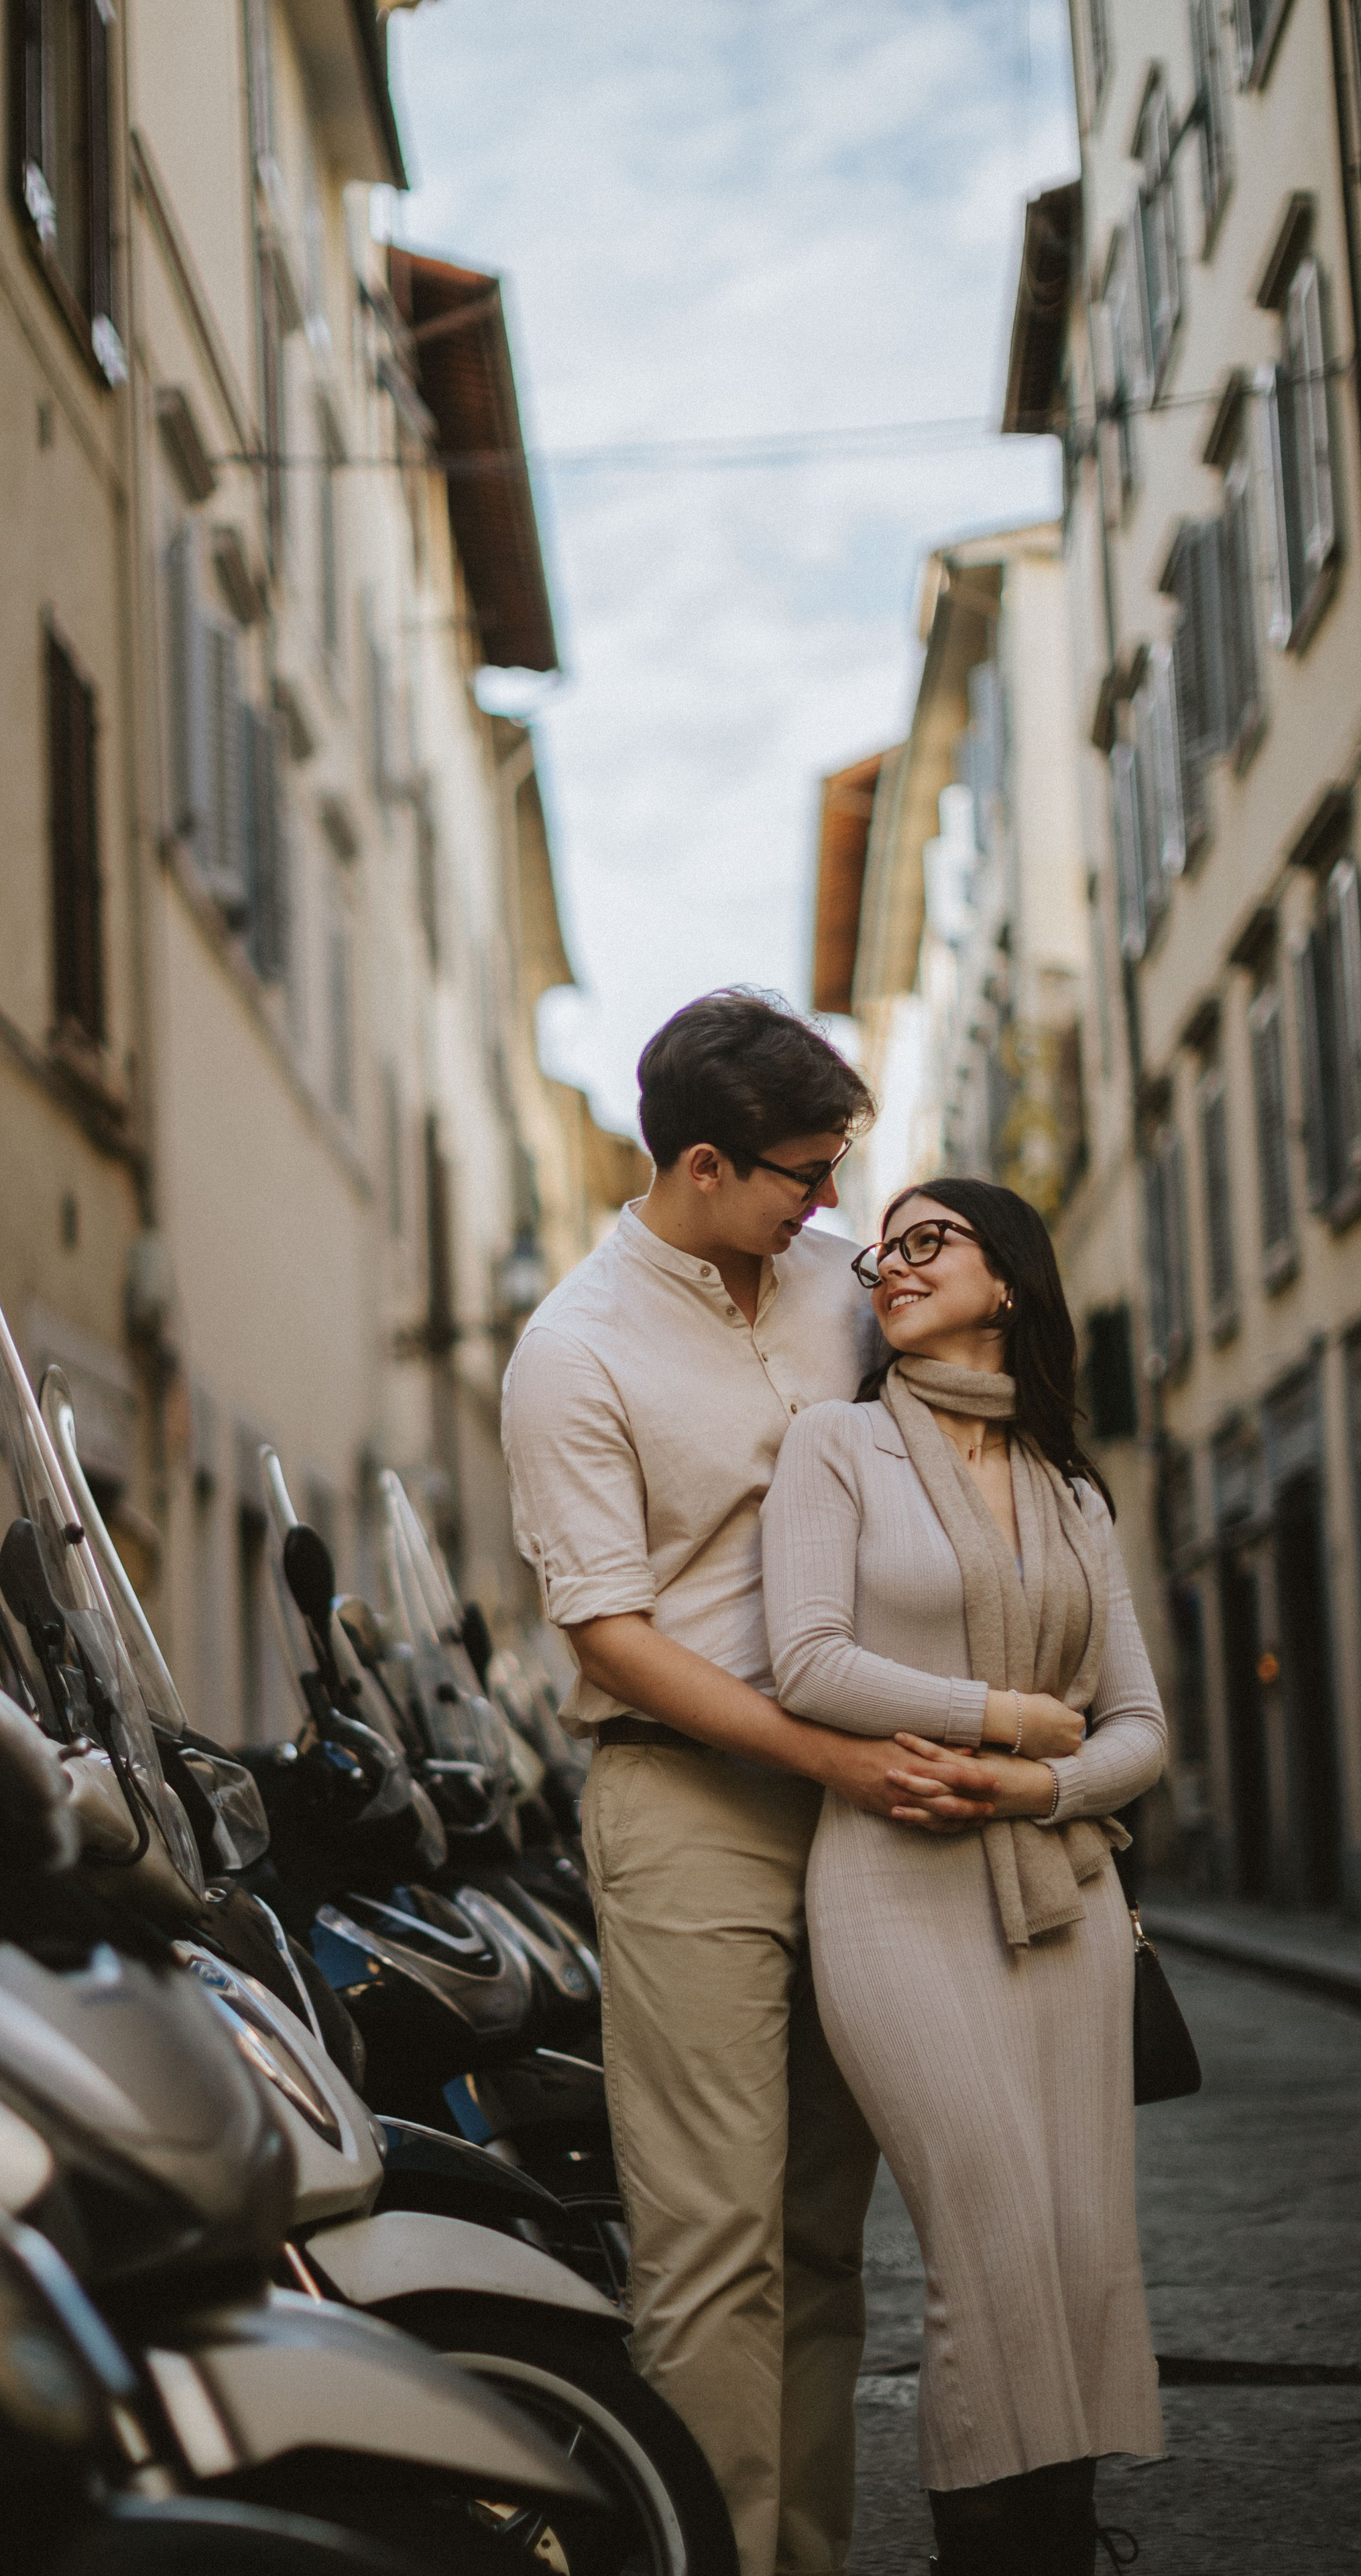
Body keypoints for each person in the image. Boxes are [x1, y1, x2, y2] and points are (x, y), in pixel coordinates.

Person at [501, 993, 1004, 2576]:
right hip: (687, 1805)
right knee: (711, 2244)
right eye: (799, 1172)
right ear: (703, 1162)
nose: (825, 1202)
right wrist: (831, 1755)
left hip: (869, 1800)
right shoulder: (570, 1347)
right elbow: (610, 1634)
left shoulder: (843, 1294)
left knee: (819, 2237)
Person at [762, 1176, 1168, 2576]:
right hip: (892, 1888)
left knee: (1070, 2253)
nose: (888, 1261)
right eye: (879, 1246)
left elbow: (1138, 1726)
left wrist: (1035, 1784)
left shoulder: (1067, 1494)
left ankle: (1051, 2548)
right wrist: (1001, 1717)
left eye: (924, 1237)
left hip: (1065, 1899)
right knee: (987, 2249)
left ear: (1007, 1278)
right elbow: (807, 1659)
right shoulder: (837, 1446)